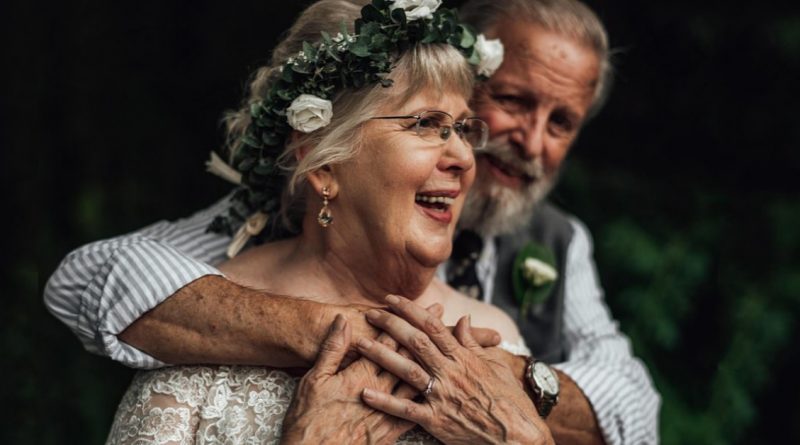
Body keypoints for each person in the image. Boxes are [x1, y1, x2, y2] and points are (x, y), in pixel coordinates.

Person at [45, 0, 660, 443]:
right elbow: (96, 275)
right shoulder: (242, 243)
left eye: (562, 123)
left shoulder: (555, 249)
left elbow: (634, 404)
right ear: (318, 159)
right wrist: (355, 332)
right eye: (512, 102)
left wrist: (517, 392)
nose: (521, 143)